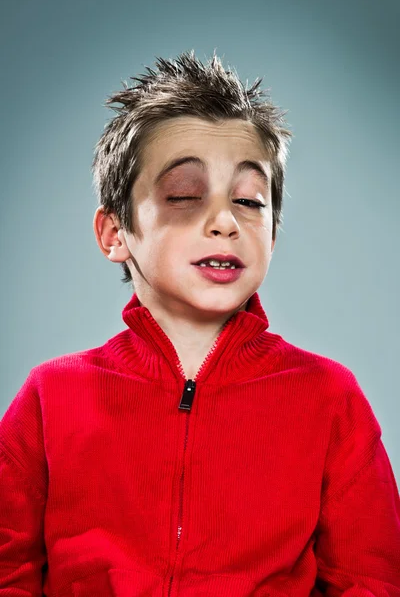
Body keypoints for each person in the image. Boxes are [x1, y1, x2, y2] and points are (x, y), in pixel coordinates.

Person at [0, 50, 399, 597]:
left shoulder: (331, 399)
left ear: (274, 232)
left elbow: (372, 580)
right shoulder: (50, 397)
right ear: (115, 233)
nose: (224, 222)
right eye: (185, 196)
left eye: (250, 201)